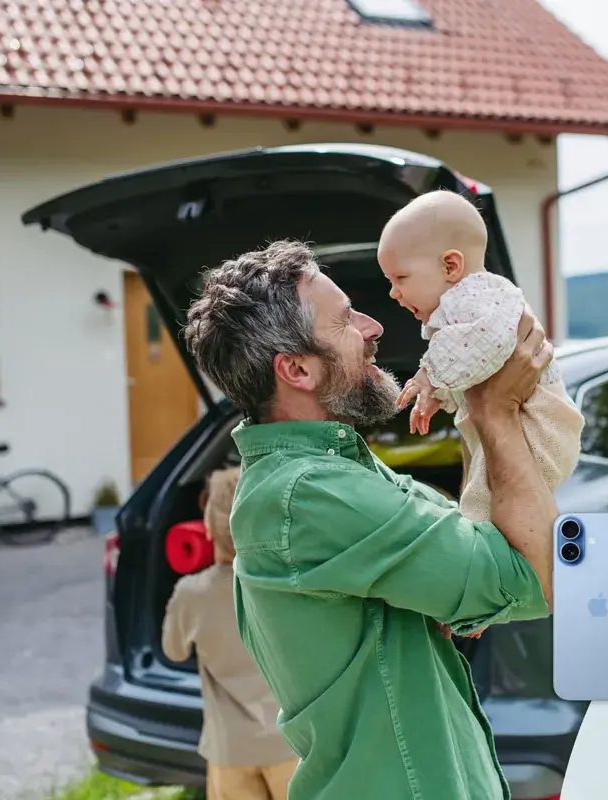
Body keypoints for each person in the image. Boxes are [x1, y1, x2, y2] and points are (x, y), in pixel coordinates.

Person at [182, 239, 557, 800]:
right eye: (344, 320)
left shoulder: (341, 473)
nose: (374, 324)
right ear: (298, 369)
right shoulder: (311, 494)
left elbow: (490, 547)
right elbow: (534, 576)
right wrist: (494, 410)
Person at [376, 190, 585, 522]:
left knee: (483, 506)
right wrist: (439, 394)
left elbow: (486, 344)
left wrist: (428, 376)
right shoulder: (460, 305)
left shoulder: (479, 296)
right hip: (521, 424)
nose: (392, 292)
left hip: (538, 425)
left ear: (451, 265)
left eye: (400, 277)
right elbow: (474, 365)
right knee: (484, 496)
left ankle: (480, 548)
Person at [161, 466, 300, 800]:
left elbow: (174, 651)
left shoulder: (191, 593)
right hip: (290, 743)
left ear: (207, 528)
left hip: (230, 748)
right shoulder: (287, 584)